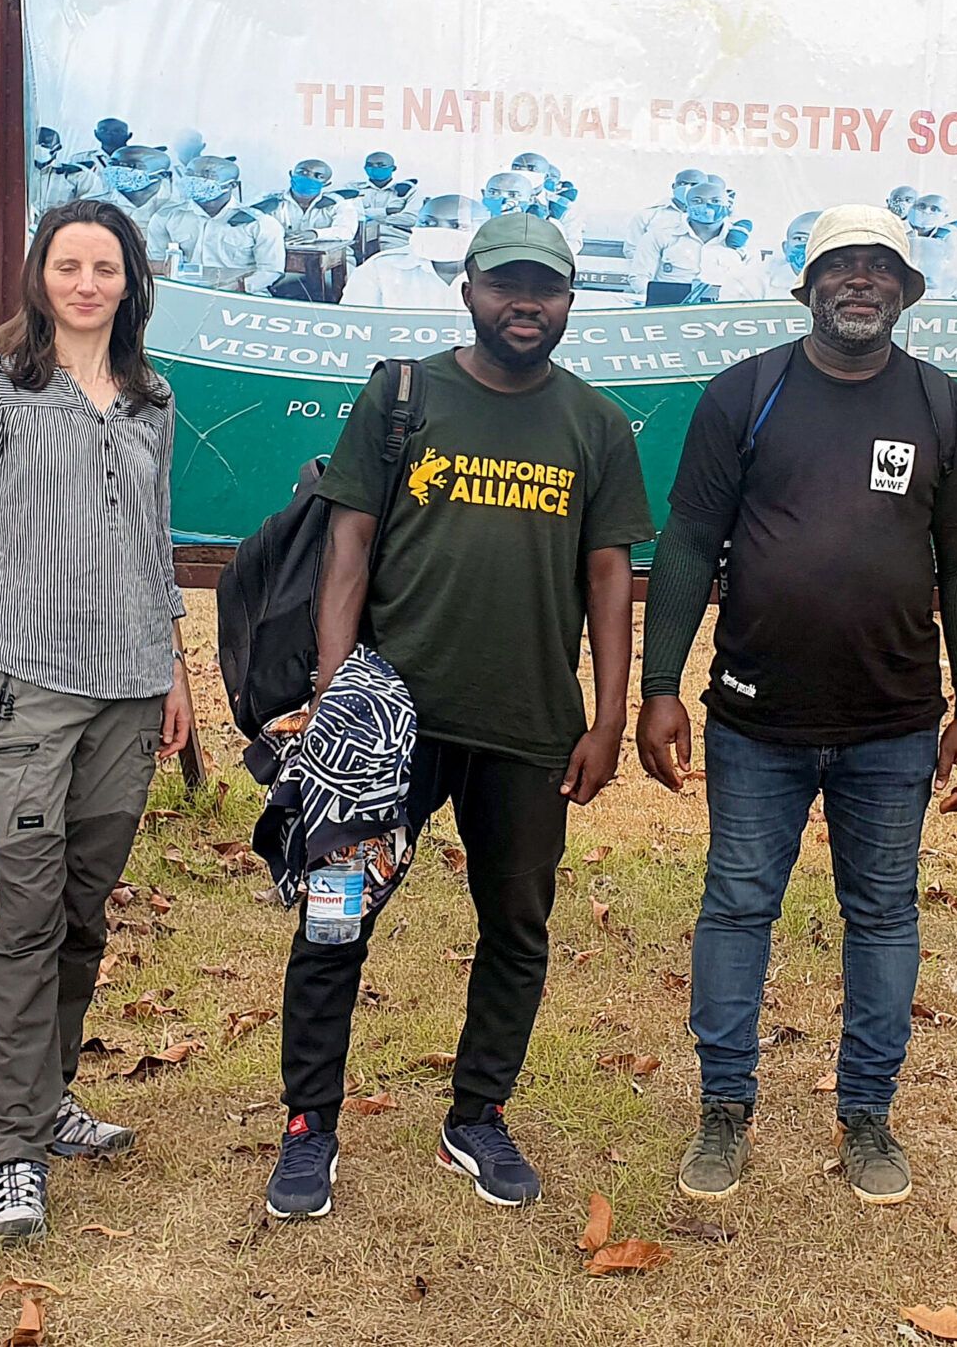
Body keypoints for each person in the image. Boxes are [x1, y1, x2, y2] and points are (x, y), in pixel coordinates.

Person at [263, 213, 653, 1220]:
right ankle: (310, 1126)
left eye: (547, 288)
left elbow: (609, 577)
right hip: (392, 728)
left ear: (570, 301)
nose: (526, 303)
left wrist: (607, 716)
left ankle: (477, 1112)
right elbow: (347, 547)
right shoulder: (404, 394)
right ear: (469, 290)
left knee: (516, 925)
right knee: (335, 918)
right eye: (507, 284)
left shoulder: (597, 426)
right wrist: (334, 692)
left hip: (529, 728)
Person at [638, 204, 957, 1207]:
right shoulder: (744, 394)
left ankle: (868, 1113)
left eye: (879, 267)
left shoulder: (944, 409)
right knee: (737, 905)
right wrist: (657, 685)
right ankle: (722, 1107)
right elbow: (686, 542)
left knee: (882, 914)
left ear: (904, 289)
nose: (858, 282)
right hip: (754, 720)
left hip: (891, 723)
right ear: (807, 283)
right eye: (838, 265)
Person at [0, 199, 196, 1243]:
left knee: (84, 912)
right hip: (26, 683)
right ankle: (14, 1152)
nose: (86, 283)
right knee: (26, 917)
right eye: (68, 265)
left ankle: (52, 1097)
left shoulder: (151, 397)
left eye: (106, 267)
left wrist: (173, 670)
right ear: (41, 276)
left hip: (129, 687)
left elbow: (156, 541)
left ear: (130, 281)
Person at [150, 154, 288, 294]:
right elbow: (156, 264)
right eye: (190, 174)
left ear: (232, 185)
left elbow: (270, 270)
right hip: (181, 293)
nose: (196, 180)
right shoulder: (166, 217)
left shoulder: (260, 223)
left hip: (241, 296)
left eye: (207, 176)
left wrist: (237, 289)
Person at [343, 195, 468, 310]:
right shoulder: (378, 268)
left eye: (457, 225)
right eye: (426, 223)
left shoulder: (487, 271)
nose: (439, 231)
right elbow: (351, 323)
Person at [645, 178, 759, 304]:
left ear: (728, 205)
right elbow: (641, 277)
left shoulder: (745, 242)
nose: (707, 205)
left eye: (715, 201)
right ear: (686, 206)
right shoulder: (660, 235)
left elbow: (753, 285)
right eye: (697, 201)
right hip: (669, 309)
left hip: (724, 311)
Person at [625, 165, 707, 266]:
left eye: (694, 185)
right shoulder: (648, 215)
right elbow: (631, 249)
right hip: (657, 276)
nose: (687, 188)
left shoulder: (714, 219)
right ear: (673, 186)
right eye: (682, 183)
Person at [30, 127, 104, 213]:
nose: (39, 147)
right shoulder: (18, 175)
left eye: (45, 144)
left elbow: (90, 209)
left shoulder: (79, 175)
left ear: (58, 147)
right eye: (36, 143)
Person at [355, 150, 417, 226]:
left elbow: (411, 219)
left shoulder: (410, 190)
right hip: (359, 236)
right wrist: (387, 211)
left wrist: (368, 217)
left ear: (393, 168)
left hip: (396, 236)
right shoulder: (353, 189)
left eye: (381, 165)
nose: (374, 168)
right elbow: (345, 214)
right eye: (369, 165)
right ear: (364, 168)